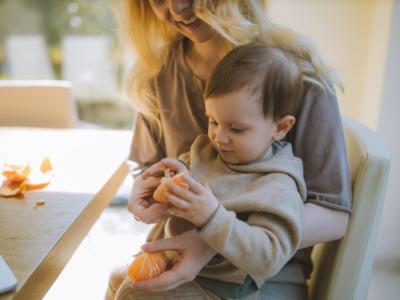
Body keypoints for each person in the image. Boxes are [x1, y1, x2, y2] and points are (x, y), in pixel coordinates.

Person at [106, 1, 352, 299]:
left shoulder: (294, 73)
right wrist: (147, 195)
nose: (178, 8)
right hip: (175, 255)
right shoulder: (158, 71)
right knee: (119, 280)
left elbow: (333, 215)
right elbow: (150, 167)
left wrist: (213, 239)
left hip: (258, 278)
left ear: (281, 127)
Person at [118, 43, 307, 299]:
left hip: (222, 290)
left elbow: (268, 257)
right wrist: (169, 181)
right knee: (118, 278)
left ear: (281, 127)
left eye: (236, 129)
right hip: (181, 265)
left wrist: (213, 218)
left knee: (132, 294)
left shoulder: (276, 185)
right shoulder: (207, 150)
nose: (219, 137)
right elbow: (191, 171)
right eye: (213, 121)